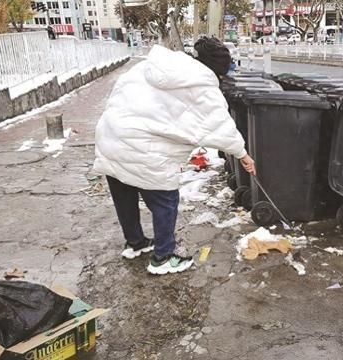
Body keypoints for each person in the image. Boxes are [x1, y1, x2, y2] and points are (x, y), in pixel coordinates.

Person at [93, 37, 256, 275]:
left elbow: (118, 91)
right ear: (216, 70)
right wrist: (243, 155)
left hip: (110, 136)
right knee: (165, 201)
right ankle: (163, 257)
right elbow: (221, 127)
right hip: (144, 149)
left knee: (123, 191)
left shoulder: (153, 64)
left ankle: (135, 243)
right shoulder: (203, 86)